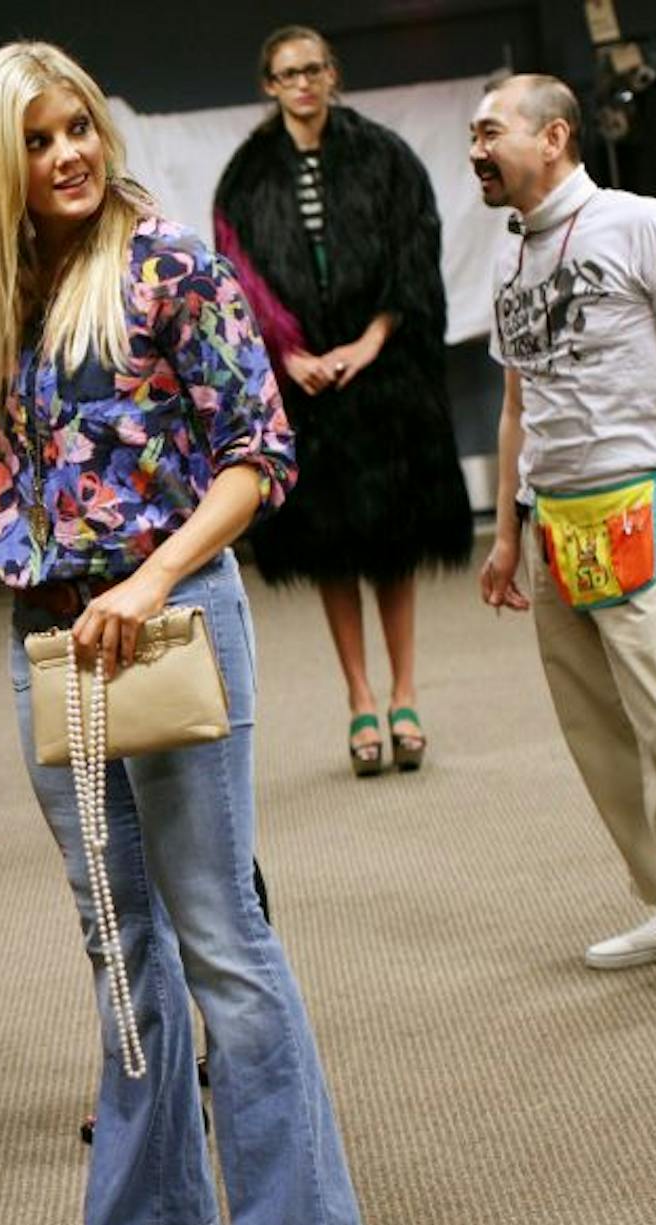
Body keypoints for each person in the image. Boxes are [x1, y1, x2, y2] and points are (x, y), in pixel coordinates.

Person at [0, 40, 373, 1225]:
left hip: (170, 630)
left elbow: (256, 452)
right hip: (54, 648)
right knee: (119, 953)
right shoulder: (13, 290)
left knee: (219, 933)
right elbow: (19, 468)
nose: (69, 154)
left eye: (80, 128)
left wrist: (153, 579)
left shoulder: (167, 261)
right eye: (40, 138)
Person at [471, 74, 656, 1019]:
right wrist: (506, 528)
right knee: (599, 733)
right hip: (557, 526)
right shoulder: (509, 259)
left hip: (651, 503)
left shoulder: (643, 223)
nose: (475, 149)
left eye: (490, 132)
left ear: (553, 136)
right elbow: (517, 402)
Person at [214, 25, 473, 776]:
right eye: (288, 73)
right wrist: (288, 354)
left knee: (394, 538)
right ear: (269, 84)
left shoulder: (387, 156)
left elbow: (414, 252)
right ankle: (359, 696)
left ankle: (405, 692)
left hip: (382, 377)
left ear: (333, 74)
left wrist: (369, 342)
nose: (303, 83)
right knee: (329, 545)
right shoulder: (246, 176)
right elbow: (237, 282)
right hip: (303, 392)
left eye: (314, 70)